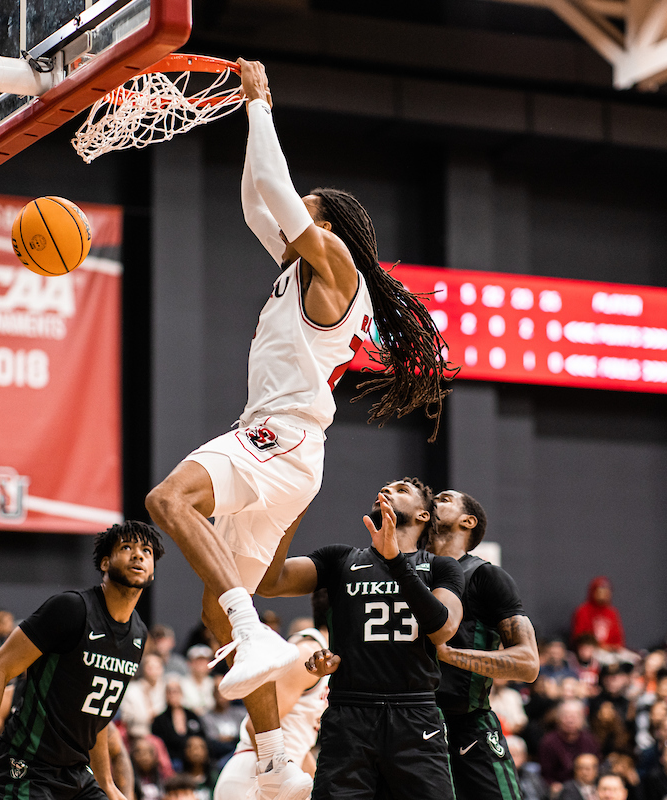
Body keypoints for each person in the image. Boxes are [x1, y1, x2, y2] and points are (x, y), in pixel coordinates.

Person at [143, 57, 451, 800]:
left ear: (325, 226)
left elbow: (277, 194)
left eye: (304, 212)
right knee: (218, 615)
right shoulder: (295, 269)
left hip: (277, 438)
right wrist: (254, 121)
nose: (287, 218)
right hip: (290, 452)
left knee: (168, 503)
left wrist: (260, 104)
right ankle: (277, 755)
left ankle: (254, 632)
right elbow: (260, 202)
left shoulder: (336, 263)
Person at [255, 479, 465, 800]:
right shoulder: (340, 560)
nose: (388, 490)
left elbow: (443, 628)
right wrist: (291, 515)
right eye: (386, 487)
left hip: (415, 713)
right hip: (350, 713)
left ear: (423, 516)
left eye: (402, 490)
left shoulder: (441, 567)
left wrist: (395, 560)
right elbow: (270, 583)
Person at [0, 521, 161, 800]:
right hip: (26, 768)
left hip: (77, 773)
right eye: (127, 547)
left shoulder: (138, 634)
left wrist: (106, 783)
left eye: (147, 551)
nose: (138, 555)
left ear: (152, 572)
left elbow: (98, 718)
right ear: (105, 563)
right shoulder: (72, 609)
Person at [425, 488, 540, 800]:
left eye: (445, 498)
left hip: (467, 724)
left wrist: (451, 655)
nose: (434, 501)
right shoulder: (407, 573)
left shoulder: (486, 576)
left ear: (468, 521)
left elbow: (528, 663)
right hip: (411, 721)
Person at [213, 616, 337, 799]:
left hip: (276, 773)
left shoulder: (322, 655)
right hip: (255, 775)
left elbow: (297, 747)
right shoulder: (309, 654)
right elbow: (256, 725)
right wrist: (279, 777)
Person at [539, 700, 602, 788]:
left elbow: (596, 767)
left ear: (582, 719)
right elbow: (546, 774)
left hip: (587, 786)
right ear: (558, 718)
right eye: (566, 716)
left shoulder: (590, 740)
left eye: (574, 716)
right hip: (560, 787)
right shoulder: (549, 742)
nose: (570, 720)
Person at [152, 679, 204, 770]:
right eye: (169, 692)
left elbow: (201, 736)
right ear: (165, 695)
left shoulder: (192, 715)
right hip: (171, 760)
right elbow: (158, 744)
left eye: (175, 691)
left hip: (193, 758)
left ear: (181, 693)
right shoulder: (159, 720)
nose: (173, 695)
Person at [571, 578, 625, 655]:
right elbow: (580, 638)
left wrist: (614, 647)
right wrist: (600, 646)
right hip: (592, 651)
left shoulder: (612, 612)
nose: (603, 594)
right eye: (600, 591)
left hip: (611, 652)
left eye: (606, 591)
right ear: (593, 592)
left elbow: (618, 639)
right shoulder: (583, 611)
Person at [507, 735, 551, 800]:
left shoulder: (533, 777)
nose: (511, 759)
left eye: (514, 754)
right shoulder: (498, 778)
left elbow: (544, 796)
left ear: (524, 756)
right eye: (508, 754)